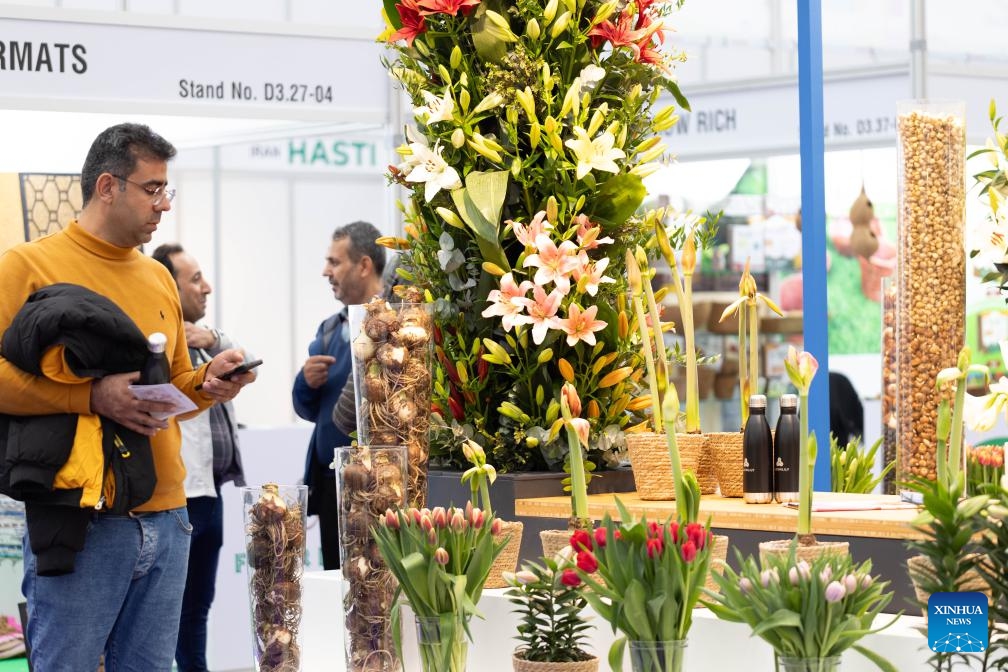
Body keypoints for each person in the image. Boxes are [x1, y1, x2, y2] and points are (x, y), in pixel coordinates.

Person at [0, 123, 254, 671]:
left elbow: (172, 388)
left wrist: (209, 385)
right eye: (152, 188)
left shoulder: (157, 277)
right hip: (83, 519)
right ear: (107, 186)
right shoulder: (27, 265)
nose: (164, 204)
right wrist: (91, 396)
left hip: (170, 517)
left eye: (167, 189)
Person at [152, 243, 247, 672]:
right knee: (168, 610)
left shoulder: (206, 344)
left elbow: (246, 362)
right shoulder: (158, 344)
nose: (206, 287)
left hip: (209, 493)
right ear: (167, 286)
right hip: (177, 497)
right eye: (194, 279)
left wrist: (212, 338)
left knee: (197, 607)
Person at [292, 221, 384, 570]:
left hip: (379, 482)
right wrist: (305, 382)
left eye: (334, 262)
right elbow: (307, 409)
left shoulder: (396, 324)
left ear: (364, 265)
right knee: (338, 577)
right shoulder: (330, 329)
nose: (325, 271)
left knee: (377, 576)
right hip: (332, 482)